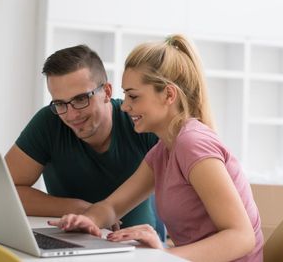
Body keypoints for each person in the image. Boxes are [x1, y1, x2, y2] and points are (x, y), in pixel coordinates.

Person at [50, 35, 263, 262]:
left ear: (169, 95)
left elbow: (242, 237)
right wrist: (88, 220)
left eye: (133, 96)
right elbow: (112, 206)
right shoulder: (164, 150)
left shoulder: (193, 144)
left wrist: (164, 255)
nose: (125, 106)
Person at [5, 44, 159, 230]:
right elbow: (5, 192)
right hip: (71, 244)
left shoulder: (140, 122)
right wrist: (78, 208)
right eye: (60, 103)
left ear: (107, 92)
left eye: (80, 99)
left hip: (137, 247)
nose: (71, 115)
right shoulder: (49, 121)